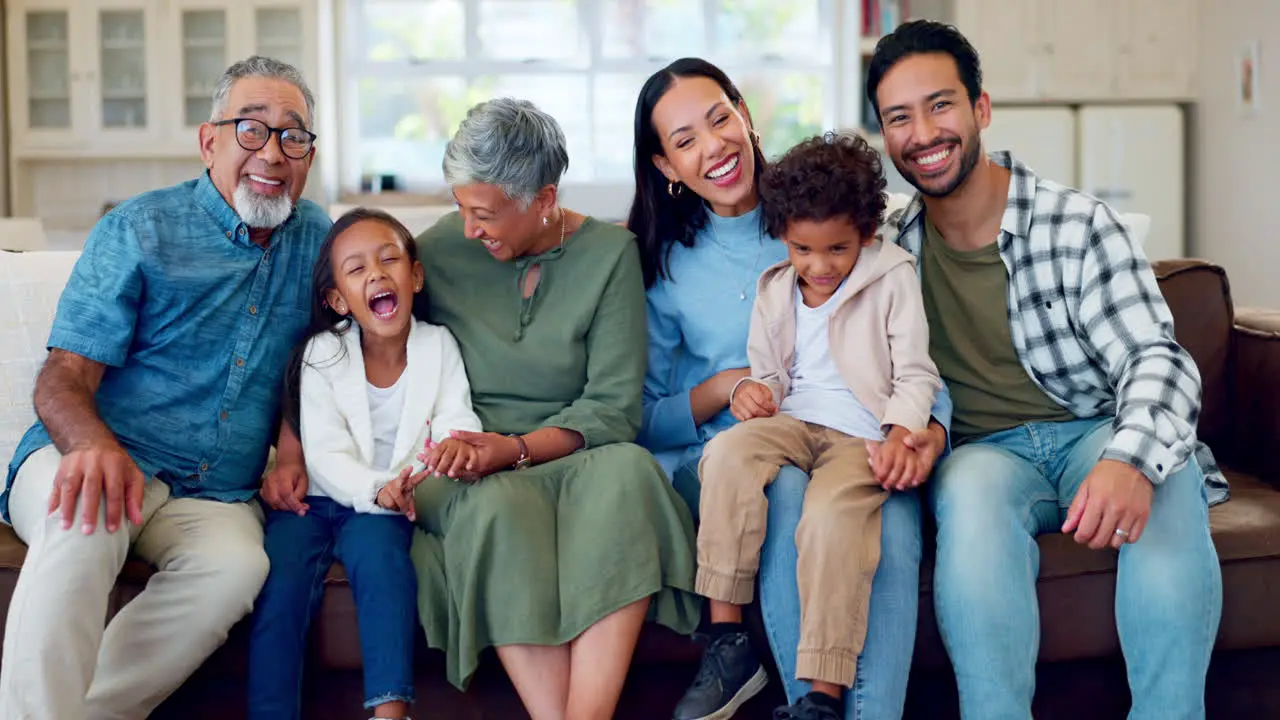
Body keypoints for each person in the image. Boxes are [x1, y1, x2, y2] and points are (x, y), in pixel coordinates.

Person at [866, 19, 1224, 719]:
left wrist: (1129, 459)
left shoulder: (1078, 225)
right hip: (985, 456)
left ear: (981, 109)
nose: (923, 133)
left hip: (1096, 428)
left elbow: (1156, 357)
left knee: (1166, 476)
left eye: (941, 105)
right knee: (967, 501)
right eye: (898, 118)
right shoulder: (887, 251)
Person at [0, 56, 331, 719]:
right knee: (83, 521)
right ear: (209, 141)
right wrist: (92, 447)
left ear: (309, 156)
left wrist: (292, 455)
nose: (272, 151)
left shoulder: (319, 241)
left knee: (238, 570)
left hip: (216, 493)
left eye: (293, 136)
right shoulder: (139, 228)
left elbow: (323, 365)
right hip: (100, 455)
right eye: (251, 129)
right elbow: (64, 376)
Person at [628, 57, 952, 720]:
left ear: (745, 114)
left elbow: (911, 359)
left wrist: (924, 432)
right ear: (665, 166)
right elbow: (639, 416)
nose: (714, 145)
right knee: (789, 490)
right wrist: (723, 389)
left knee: (879, 520)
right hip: (738, 455)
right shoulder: (662, 264)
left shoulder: (833, 214)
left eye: (720, 118)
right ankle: (760, 666)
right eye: (685, 140)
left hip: (861, 433)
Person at [407, 97, 700, 720]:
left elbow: (614, 407)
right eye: (460, 208)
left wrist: (516, 450)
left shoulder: (608, 255)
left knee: (629, 474)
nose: (468, 230)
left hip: (574, 451)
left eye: (484, 214)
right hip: (468, 459)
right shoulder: (429, 255)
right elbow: (358, 345)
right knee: (497, 505)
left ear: (543, 200)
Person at [695, 131, 944, 720]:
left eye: (837, 249)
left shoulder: (894, 278)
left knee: (830, 523)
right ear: (783, 237)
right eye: (804, 250)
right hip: (794, 422)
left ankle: (821, 697)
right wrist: (756, 392)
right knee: (726, 454)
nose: (820, 265)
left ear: (866, 233)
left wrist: (900, 432)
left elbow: (916, 374)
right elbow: (772, 374)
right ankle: (725, 634)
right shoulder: (776, 289)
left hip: (859, 436)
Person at [247, 209, 483, 720]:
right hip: (320, 502)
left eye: (389, 260)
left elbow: (454, 418)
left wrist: (451, 451)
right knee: (281, 583)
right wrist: (379, 488)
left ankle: (391, 711)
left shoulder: (438, 346)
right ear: (337, 300)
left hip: (389, 507)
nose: (375, 274)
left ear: (414, 277)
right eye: (356, 270)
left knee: (384, 568)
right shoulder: (321, 354)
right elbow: (325, 454)